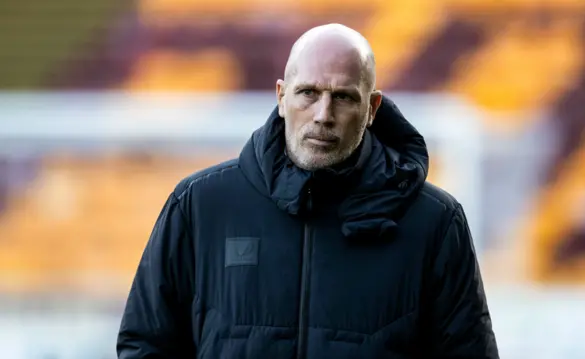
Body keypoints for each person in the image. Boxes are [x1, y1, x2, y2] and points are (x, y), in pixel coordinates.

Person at [117, 23, 499, 359]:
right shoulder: (199, 206)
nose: (323, 115)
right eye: (309, 93)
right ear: (282, 96)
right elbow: (146, 344)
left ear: (372, 108)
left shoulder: (433, 223)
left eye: (344, 97)